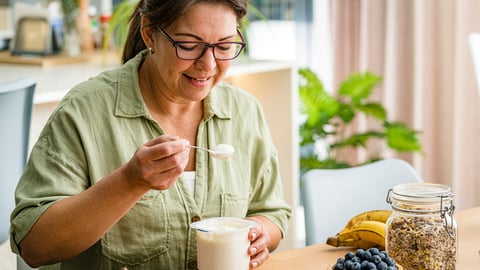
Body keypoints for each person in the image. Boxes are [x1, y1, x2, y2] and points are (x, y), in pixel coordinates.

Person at [9, 0, 292, 269]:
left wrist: (260, 233)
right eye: (189, 45)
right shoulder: (85, 111)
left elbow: (272, 212)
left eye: (224, 45)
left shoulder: (244, 111)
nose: (208, 64)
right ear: (149, 34)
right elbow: (34, 246)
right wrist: (128, 182)